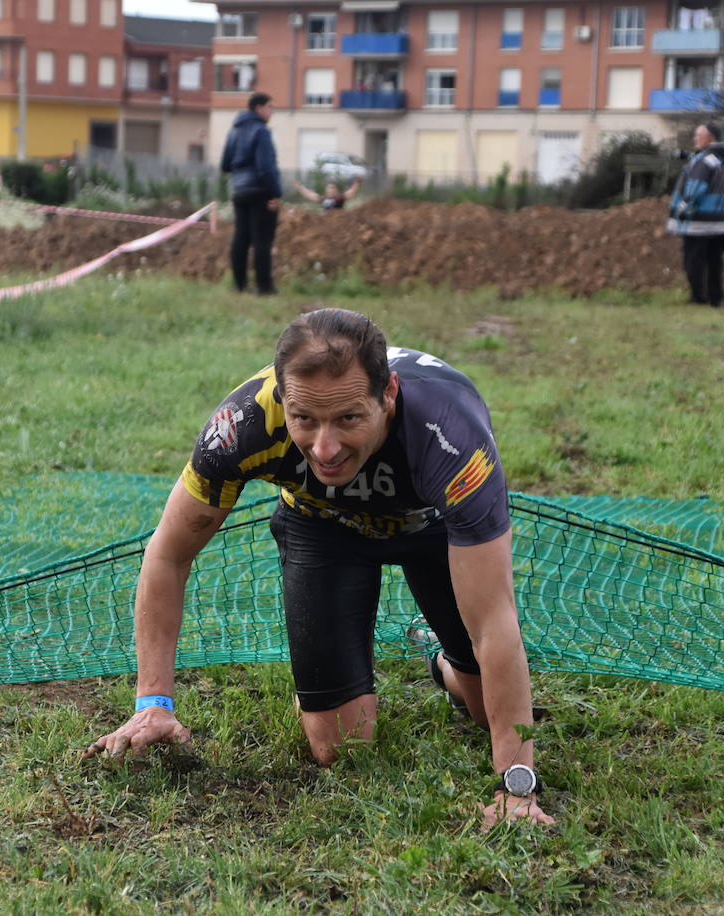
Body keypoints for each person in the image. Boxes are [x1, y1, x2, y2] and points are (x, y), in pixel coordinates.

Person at [85, 309, 555, 831]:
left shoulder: (450, 438)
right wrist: (153, 702)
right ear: (283, 400)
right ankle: (430, 664)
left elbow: (495, 621)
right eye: (304, 419)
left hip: (429, 531)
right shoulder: (243, 423)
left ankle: (445, 665)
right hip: (322, 527)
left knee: (480, 706)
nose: (324, 449)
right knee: (339, 747)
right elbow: (168, 555)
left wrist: (517, 787)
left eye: (349, 419)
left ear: (389, 395)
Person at [667, 122, 724, 308]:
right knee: (715, 261)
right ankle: (716, 299)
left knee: (692, 261)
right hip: (721, 221)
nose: (695, 139)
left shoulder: (704, 161)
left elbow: (695, 189)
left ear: (710, 138)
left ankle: (698, 297)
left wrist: (682, 210)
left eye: (698, 135)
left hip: (698, 222)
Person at [220, 92, 282, 295]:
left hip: (239, 190)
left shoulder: (233, 131)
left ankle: (239, 285)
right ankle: (264, 287)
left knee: (241, 239)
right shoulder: (261, 131)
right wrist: (275, 193)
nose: (272, 112)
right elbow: (266, 166)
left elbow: (225, 164)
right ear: (259, 108)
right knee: (262, 240)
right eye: (270, 107)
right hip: (260, 191)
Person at [292, 176, 362, 210]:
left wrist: (357, 183)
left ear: (336, 190)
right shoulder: (323, 199)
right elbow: (310, 195)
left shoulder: (339, 198)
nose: (331, 190)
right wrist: (300, 187)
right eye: (329, 188)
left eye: (333, 188)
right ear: (326, 190)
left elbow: (351, 192)